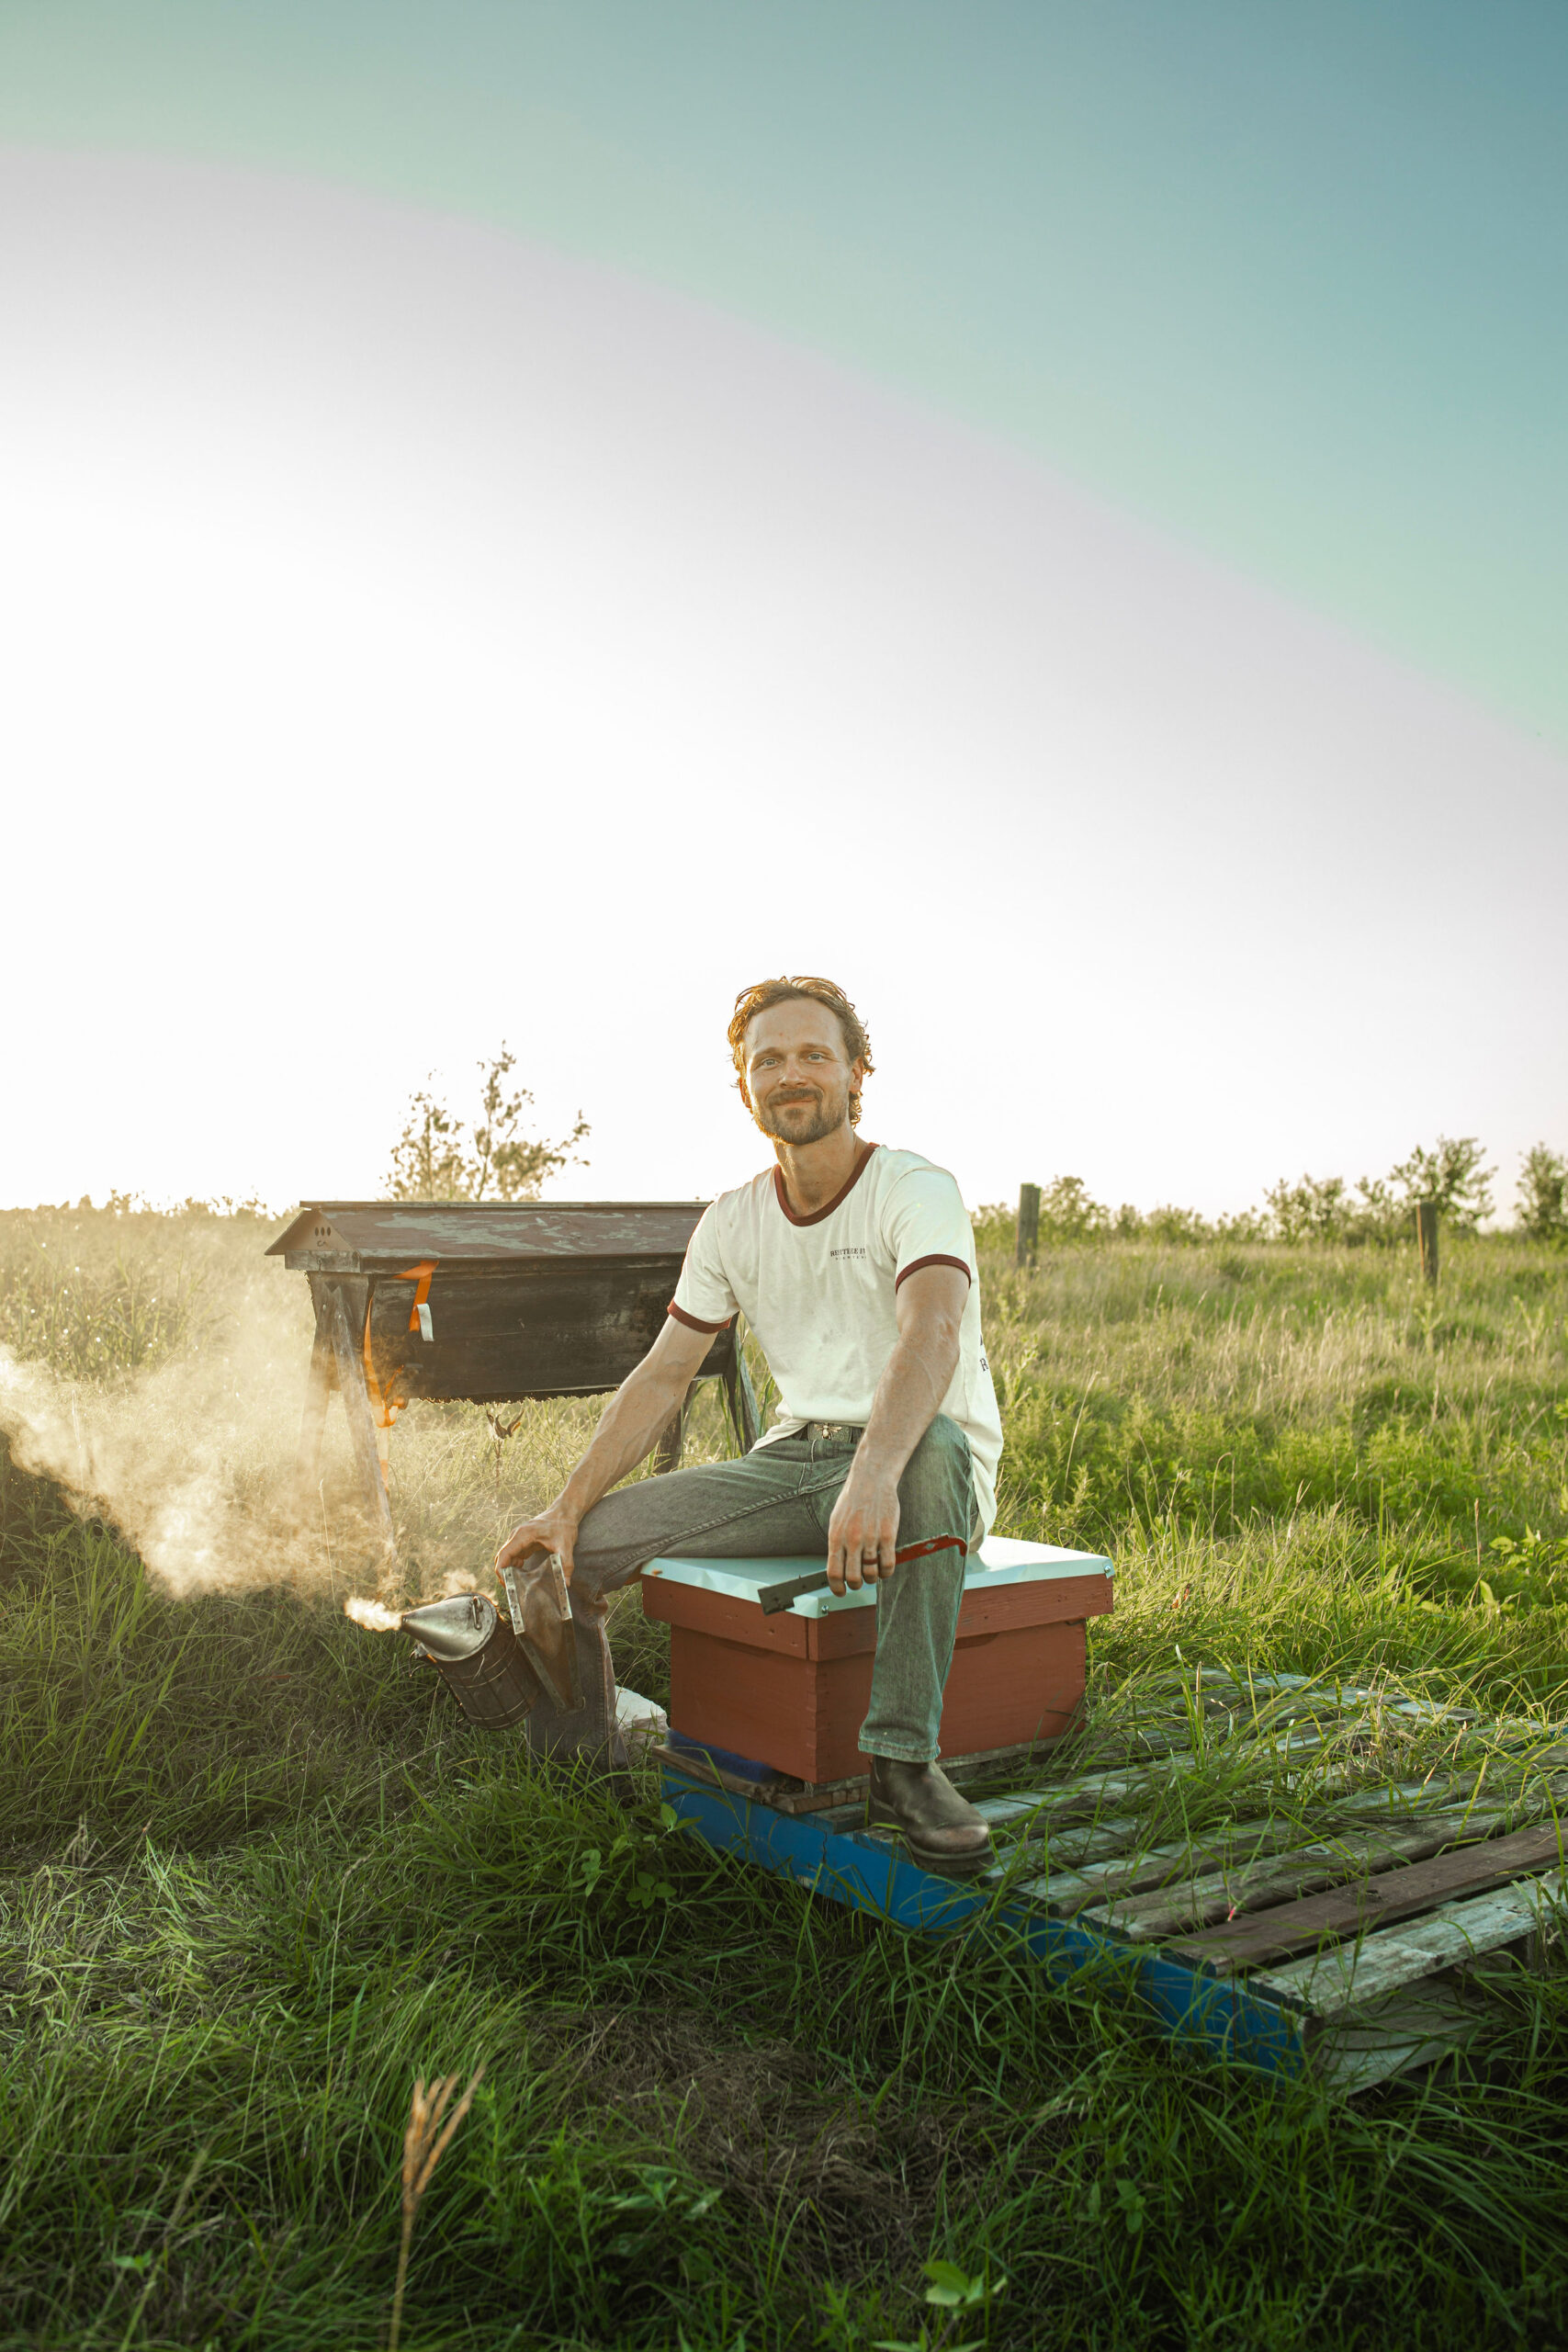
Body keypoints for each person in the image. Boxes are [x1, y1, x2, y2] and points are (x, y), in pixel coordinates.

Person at [495, 975, 1004, 1872]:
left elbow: (929, 1335)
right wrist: (566, 1507)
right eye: (768, 1059)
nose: (790, 1073)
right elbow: (662, 1376)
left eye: (814, 1053)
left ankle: (901, 1759)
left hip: (921, 1466)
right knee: (568, 1558)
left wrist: (874, 1476)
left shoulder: (915, 1187)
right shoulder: (732, 1220)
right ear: (745, 1088)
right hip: (798, 1466)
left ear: (857, 1076)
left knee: (931, 1450)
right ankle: (585, 1762)